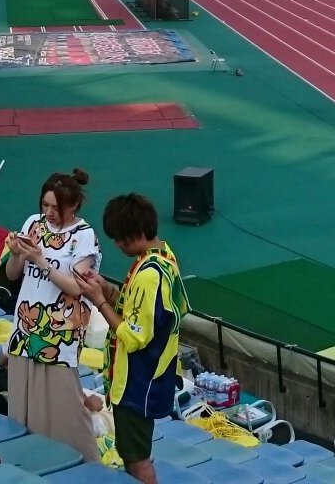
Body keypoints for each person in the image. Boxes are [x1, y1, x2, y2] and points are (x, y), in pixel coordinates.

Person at [78, 194, 187, 484]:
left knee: (136, 459)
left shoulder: (149, 275)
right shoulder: (163, 255)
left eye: (121, 239)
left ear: (138, 234)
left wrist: (99, 300)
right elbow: (138, 311)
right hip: (145, 378)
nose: (117, 244)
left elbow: (133, 335)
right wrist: (109, 292)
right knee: (134, 455)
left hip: (139, 381)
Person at [4, 169, 101, 462]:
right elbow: (12, 274)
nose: (48, 212)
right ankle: (31, 461)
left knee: (65, 405)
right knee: (24, 402)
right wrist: (17, 254)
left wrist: (41, 261)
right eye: (44, 205)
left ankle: (85, 465)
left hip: (60, 333)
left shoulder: (84, 237)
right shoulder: (33, 224)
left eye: (55, 208)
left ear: (73, 206)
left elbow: (77, 285)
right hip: (25, 325)